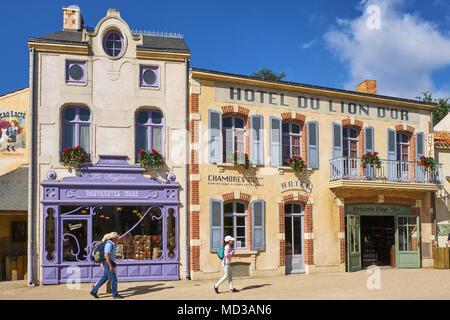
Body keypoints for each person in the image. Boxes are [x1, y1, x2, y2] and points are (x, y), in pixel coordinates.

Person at [90, 232, 124, 299]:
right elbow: (106, 256)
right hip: (107, 262)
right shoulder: (109, 244)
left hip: (108, 262)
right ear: (114, 238)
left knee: (104, 278)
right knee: (114, 279)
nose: (118, 238)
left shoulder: (112, 244)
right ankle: (115, 295)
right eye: (117, 237)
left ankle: (94, 291)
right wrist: (110, 266)